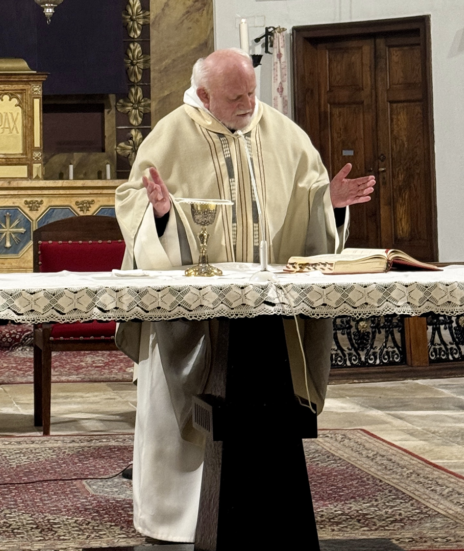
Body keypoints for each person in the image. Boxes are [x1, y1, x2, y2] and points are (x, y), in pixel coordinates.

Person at [113, 49, 375, 543]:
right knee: (180, 416)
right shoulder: (171, 133)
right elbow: (135, 203)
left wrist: (330, 204)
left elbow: (309, 197)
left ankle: (265, 511)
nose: (249, 103)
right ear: (205, 95)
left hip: (268, 313)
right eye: (236, 97)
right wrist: (163, 214)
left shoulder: (282, 132)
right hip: (192, 316)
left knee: (265, 401)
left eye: (252, 92)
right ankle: (178, 519)